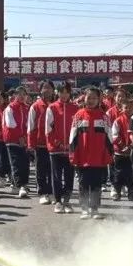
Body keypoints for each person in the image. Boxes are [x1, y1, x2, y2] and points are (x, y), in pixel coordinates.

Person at [70, 87, 112, 220]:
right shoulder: (78, 115)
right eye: (89, 97)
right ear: (84, 98)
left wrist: (109, 155)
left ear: (99, 99)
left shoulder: (104, 117)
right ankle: (84, 208)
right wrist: (72, 154)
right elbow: (73, 136)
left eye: (94, 98)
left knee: (96, 184)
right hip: (82, 157)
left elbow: (109, 138)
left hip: (98, 158)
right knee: (83, 183)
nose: (91, 100)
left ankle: (94, 208)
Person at [45, 82, 78, 213]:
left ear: (70, 93)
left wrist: (71, 144)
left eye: (67, 92)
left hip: (70, 149)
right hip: (56, 149)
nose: (64, 95)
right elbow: (48, 129)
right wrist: (58, 143)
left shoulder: (75, 108)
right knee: (57, 176)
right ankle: (58, 201)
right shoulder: (52, 108)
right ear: (57, 93)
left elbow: (78, 129)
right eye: (61, 92)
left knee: (69, 176)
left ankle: (67, 201)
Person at [27, 81, 54, 204]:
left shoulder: (56, 105)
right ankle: (43, 192)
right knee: (41, 168)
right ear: (40, 90)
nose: (47, 90)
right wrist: (30, 144)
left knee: (53, 170)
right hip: (40, 143)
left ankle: (52, 191)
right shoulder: (35, 106)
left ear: (53, 90)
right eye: (44, 88)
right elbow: (31, 126)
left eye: (49, 88)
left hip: (54, 144)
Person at [2, 86, 31, 198]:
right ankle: (20, 186)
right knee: (16, 163)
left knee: (25, 163)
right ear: (15, 95)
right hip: (13, 140)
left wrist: (25, 137)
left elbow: (29, 124)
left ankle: (19, 184)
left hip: (24, 140)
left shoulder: (27, 108)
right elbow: (10, 124)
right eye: (19, 94)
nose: (22, 96)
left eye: (24, 94)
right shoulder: (10, 108)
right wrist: (20, 137)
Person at [109, 100, 133, 202]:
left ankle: (131, 193)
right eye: (126, 107)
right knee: (118, 173)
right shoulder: (118, 121)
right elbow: (114, 135)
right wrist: (123, 146)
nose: (128, 109)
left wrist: (131, 146)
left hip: (131, 152)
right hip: (119, 152)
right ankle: (117, 191)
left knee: (131, 173)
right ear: (121, 109)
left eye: (130, 107)